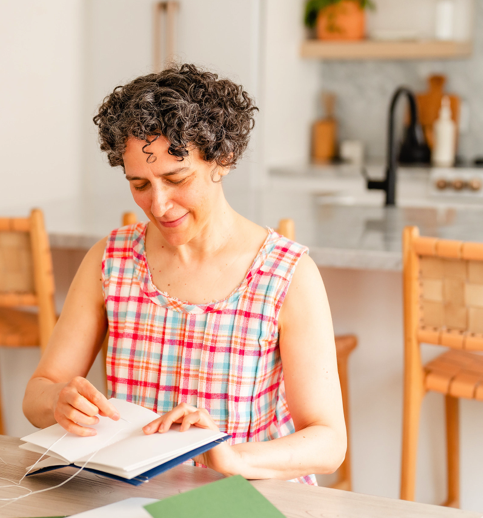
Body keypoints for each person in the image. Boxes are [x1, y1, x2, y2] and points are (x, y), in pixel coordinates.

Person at [22, 64, 346, 484]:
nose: (158, 205)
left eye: (176, 178)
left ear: (222, 159)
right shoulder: (111, 260)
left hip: (246, 499)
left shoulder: (286, 273)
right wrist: (59, 402)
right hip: (137, 498)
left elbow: (328, 442)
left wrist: (234, 458)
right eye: (139, 184)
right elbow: (38, 393)